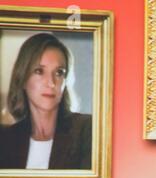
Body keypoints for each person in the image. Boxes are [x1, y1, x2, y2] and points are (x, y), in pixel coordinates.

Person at [0, 33, 91, 170]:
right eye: (39, 71)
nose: (51, 83)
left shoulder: (86, 129)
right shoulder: (6, 139)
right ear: (23, 78)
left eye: (59, 72)